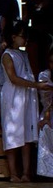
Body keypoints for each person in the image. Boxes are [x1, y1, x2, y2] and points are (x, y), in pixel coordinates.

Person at [0, 21, 53, 182]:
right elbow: (14, 78)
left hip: (27, 96)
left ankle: (26, 173)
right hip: (14, 97)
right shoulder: (7, 55)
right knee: (12, 133)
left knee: (27, 134)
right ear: (13, 37)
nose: (25, 40)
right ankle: (13, 173)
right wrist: (36, 85)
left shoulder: (24, 54)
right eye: (23, 36)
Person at [23, 0, 53, 77]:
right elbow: (25, 22)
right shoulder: (30, 3)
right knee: (35, 71)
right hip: (35, 40)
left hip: (50, 39)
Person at [37, 48, 53, 177]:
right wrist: (47, 117)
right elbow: (48, 102)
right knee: (45, 128)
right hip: (49, 112)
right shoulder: (45, 76)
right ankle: (48, 172)